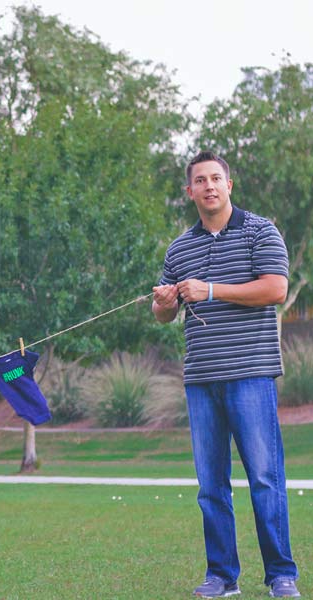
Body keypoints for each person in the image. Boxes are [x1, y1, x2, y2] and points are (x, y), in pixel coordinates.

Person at [152, 152, 300, 598]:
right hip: (201, 380)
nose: (210, 186)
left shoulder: (260, 230)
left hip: (251, 375)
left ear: (229, 185)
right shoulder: (179, 248)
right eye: (201, 180)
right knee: (211, 485)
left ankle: (281, 575)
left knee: (264, 477)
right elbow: (163, 316)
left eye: (217, 178)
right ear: (190, 191)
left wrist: (212, 289)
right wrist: (163, 302)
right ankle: (221, 577)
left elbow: (276, 288)